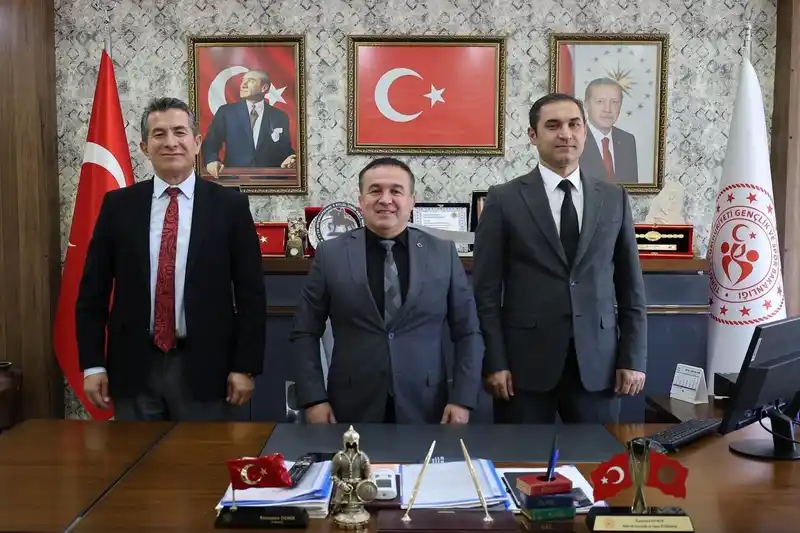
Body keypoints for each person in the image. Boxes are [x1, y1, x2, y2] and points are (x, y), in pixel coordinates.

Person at [76, 97, 267, 421]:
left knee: (202, 455)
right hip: (134, 368)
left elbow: (251, 294)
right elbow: (93, 291)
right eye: (159, 134)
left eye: (179, 132)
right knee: (136, 454)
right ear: (144, 147)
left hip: (207, 369)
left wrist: (245, 366)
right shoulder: (118, 206)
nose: (170, 142)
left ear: (197, 142)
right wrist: (93, 364)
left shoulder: (230, 207)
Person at [472, 93, 647, 424]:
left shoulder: (614, 198)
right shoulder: (503, 199)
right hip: (523, 369)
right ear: (533, 135)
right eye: (553, 126)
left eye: (574, 124)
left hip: (599, 366)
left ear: (584, 132)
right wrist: (494, 361)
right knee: (519, 456)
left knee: (599, 456)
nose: (565, 134)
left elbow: (631, 287)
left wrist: (633, 358)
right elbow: (485, 293)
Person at [290, 157, 484, 424]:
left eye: (396, 191)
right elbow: (304, 331)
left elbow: (468, 331)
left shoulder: (443, 253)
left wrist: (462, 398)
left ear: (412, 201)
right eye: (375, 190)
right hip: (350, 406)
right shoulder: (331, 254)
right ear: (361, 200)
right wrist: (314, 399)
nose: (385, 199)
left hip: (427, 406)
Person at [202, 69, 295, 175]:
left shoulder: (280, 116)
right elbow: (211, 143)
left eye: (250, 81)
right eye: (242, 80)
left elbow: (285, 149)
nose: (243, 85)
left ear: (264, 88)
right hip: (234, 179)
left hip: (269, 179)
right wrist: (211, 161)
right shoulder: (226, 112)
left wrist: (291, 158)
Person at [580, 78, 638, 183]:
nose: (607, 109)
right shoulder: (576, 139)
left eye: (614, 102)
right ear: (586, 105)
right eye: (600, 102)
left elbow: (632, 188)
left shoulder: (627, 140)